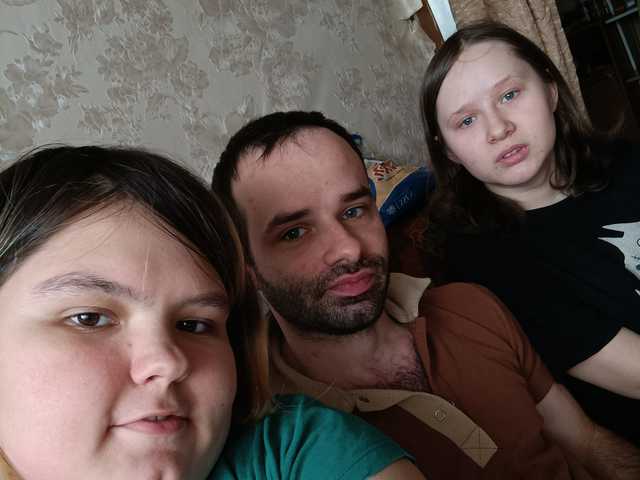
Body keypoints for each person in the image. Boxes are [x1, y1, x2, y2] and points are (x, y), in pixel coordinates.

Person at [212, 109, 640, 479]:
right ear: (248, 269)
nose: (348, 248)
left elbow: (585, 441)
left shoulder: (470, 306)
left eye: (354, 210)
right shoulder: (272, 438)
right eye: (294, 233)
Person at [0, 145, 424, 480]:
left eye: (194, 324)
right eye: (89, 318)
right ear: (254, 272)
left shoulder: (293, 446)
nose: (168, 362)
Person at [420, 21, 640, 444]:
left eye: (509, 95)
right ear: (448, 150)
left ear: (550, 90)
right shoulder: (482, 260)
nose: (498, 128)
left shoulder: (623, 162)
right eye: (466, 120)